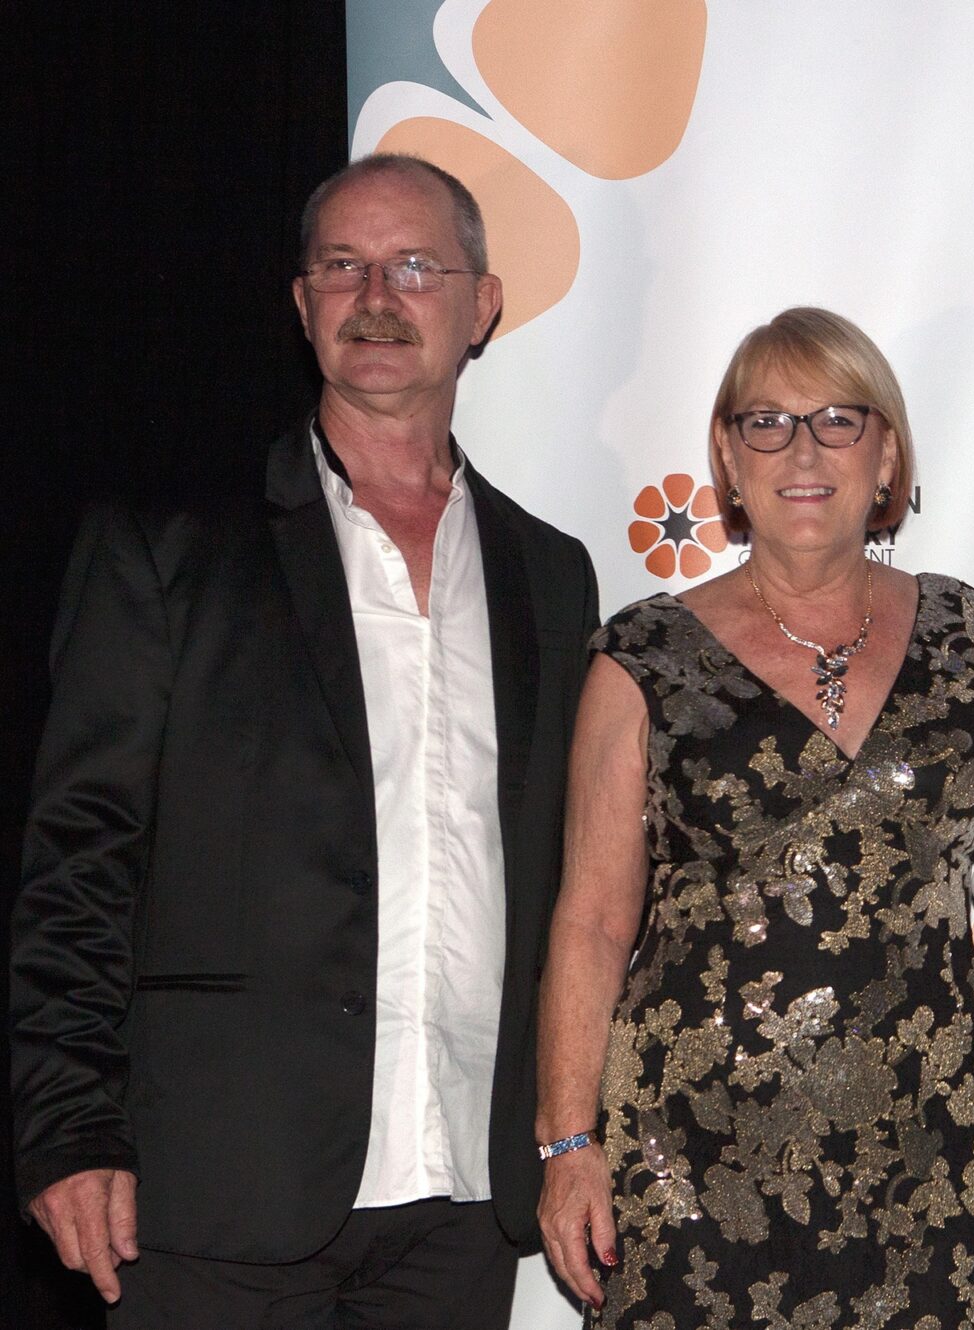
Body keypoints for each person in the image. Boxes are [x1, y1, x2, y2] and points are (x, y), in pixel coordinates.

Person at [9, 154, 599, 1327]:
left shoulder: (549, 573)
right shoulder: (172, 538)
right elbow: (79, 852)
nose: (376, 295)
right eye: (343, 265)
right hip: (218, 1189)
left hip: (461, 1197)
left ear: (482, 305)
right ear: (301, 303)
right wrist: (66, 1126)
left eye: (415, 265)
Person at [534, 307, 974, 1325]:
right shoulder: (642, 656)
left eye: (839, 419)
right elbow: (592, 919)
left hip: (925, 1150)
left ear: (886, 457)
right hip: (688, 1160)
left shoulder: (972, 635)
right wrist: (569, 1142)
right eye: (767, 422)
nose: (802, 449)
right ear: (727, 455)